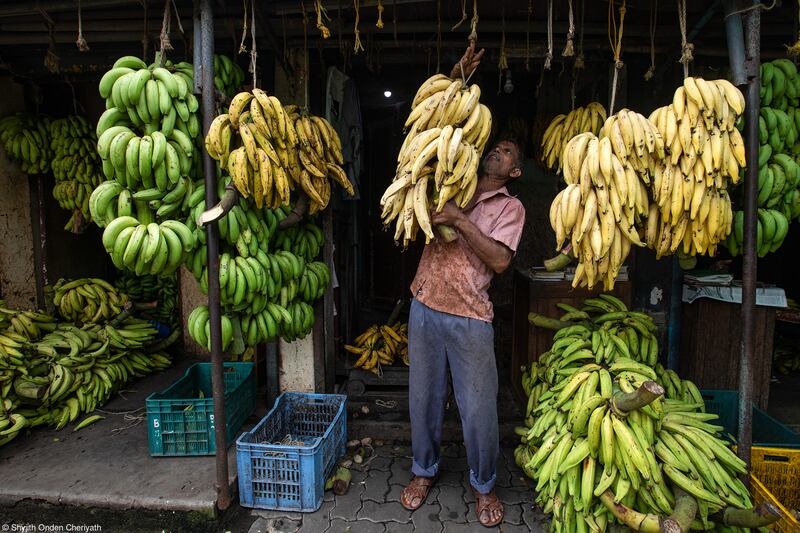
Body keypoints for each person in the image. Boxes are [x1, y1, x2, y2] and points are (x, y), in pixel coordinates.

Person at [399, 43, 526, 528]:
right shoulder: (457, 172)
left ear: (514, 171)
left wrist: (459, 219)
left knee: (478, 410)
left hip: (471, 314)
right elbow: (439, 126)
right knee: (423, 398)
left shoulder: (511, 209)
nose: (497, 151)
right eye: (496, 146)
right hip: (425, 301)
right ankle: (423, 470)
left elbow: (498, 260)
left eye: (507, 152)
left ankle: (484, 484)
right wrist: (457, 78)